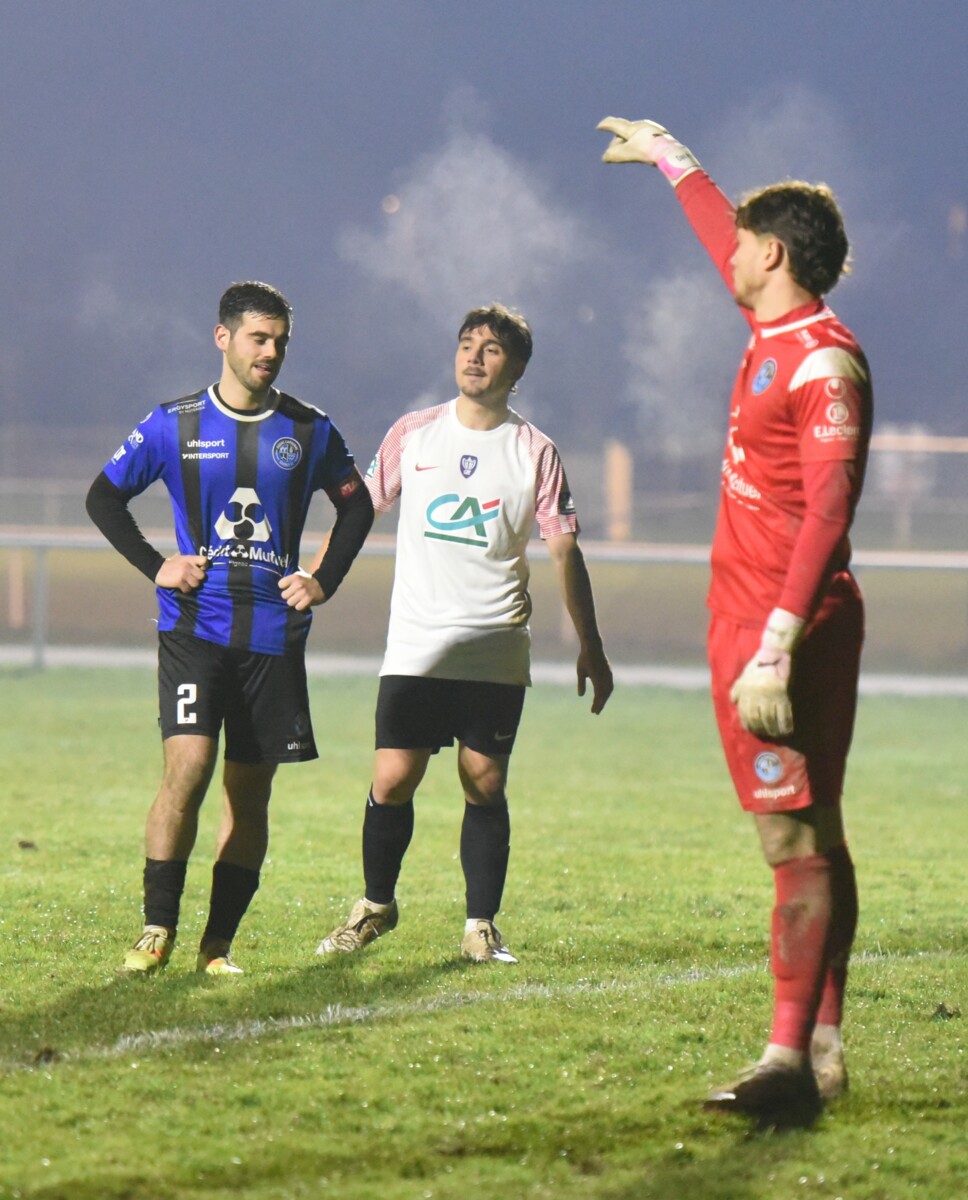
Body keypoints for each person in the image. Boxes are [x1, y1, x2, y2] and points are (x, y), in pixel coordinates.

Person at [598, 118, 872, 1122]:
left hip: (779, 630)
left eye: (746, 244)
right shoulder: (776, 331)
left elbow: (829, 513)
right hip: (754, 619)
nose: (732, 255)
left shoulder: (822, 365)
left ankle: (783, 1060)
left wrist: (775, 646)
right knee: (815, 832)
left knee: (789, 841)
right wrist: (671, 157)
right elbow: (720, 229)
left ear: (776, 256)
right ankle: (821, 1043)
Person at [86, 281, 374, 976]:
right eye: (258, 338)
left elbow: (357, 506)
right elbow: (103, 497)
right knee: (187, 768)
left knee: (249, 794)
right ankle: (157, 928)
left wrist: (322, 580)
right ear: (223, 338)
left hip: (272, 637)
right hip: (194, 627)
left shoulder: (309, 429)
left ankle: (216, 946)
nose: (270, 352)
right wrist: (158, 566)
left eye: (280, 341)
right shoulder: (174, 424)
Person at [316, 303, 613, 964]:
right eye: (467, 344)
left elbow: (565, 550)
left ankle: (481, 925)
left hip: (493, 645)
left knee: (484, 781)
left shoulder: (535, 451)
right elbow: (360, 509)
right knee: (393, 778)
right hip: (416, 643)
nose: (475, 357)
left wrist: (590, 645)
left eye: (492, 348)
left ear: (517, 368)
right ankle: (375, 907)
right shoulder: (414, 434)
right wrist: (316, 576)